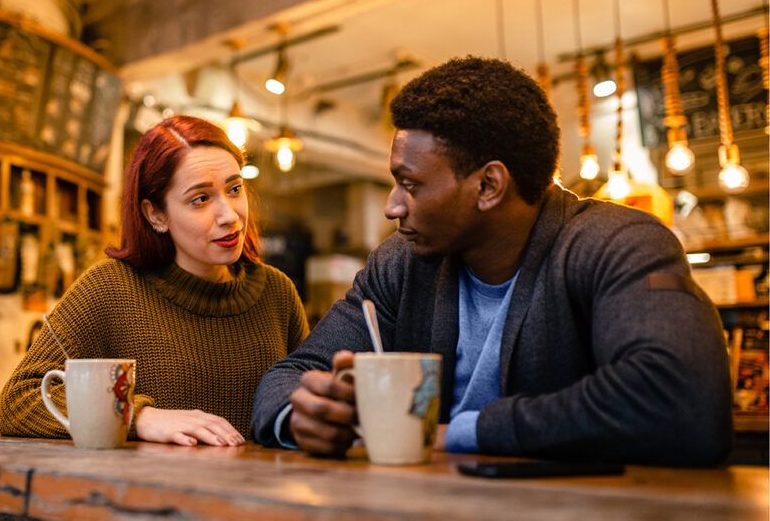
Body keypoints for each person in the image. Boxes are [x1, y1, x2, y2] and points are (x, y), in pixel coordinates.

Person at [252, 56, 733, 466]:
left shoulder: (618, 244)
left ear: (488, 186)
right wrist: (305, 414)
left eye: (411, 184)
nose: (392, 206)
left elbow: (681, 401)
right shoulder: (402, 262)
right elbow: (284, 378)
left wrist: (464, 432)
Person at [0, 115, 308, 446]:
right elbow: (19, 400)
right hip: (148, 493)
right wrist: (137, 416)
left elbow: (307, 399)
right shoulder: (111, 287)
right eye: (200, 199)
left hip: (260, 494)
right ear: (155, 214)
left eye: (234, 189)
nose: (229, 215)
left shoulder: (277, 292)